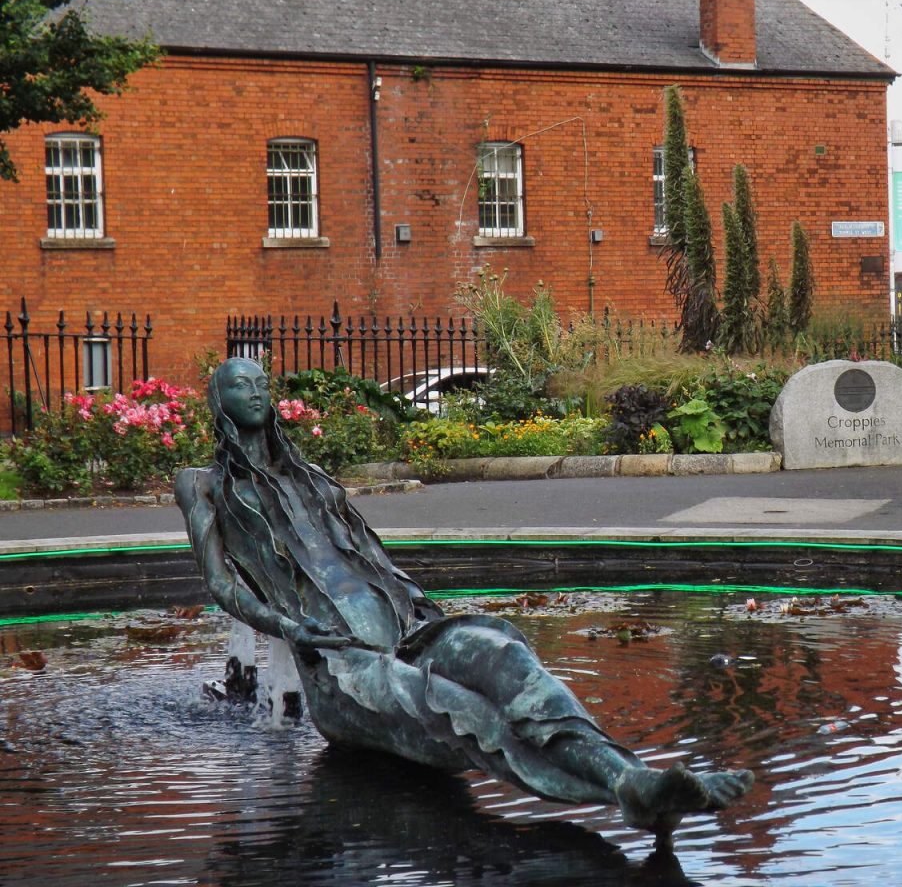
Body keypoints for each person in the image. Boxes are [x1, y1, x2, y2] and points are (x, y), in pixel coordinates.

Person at [176, 357, 752, 836]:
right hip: (342, 667)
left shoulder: (314, 477)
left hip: (411, 631)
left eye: (261, 383)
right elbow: (221, 586)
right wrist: (288, 626)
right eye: (239, 386)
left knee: (508, 659)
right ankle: (625, 791)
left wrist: (420, 611)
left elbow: (374, 558)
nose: (254, 393)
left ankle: (633, 777)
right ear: (217, 401)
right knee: (473, 716)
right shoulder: (201, 484)